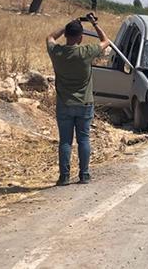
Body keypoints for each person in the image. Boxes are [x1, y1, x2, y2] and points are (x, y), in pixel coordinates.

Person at [46, 13, 109, 186]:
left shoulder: (57, 52)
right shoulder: (85, 52)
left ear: (66, 35)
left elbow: (50, 37)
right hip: (85, 103)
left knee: (65, 141)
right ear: (81, 37)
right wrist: (94, 24)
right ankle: (84, 174)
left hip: (64, 104)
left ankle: (64, 177)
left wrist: (70, 23)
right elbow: (105, 41)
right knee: (83, 139)